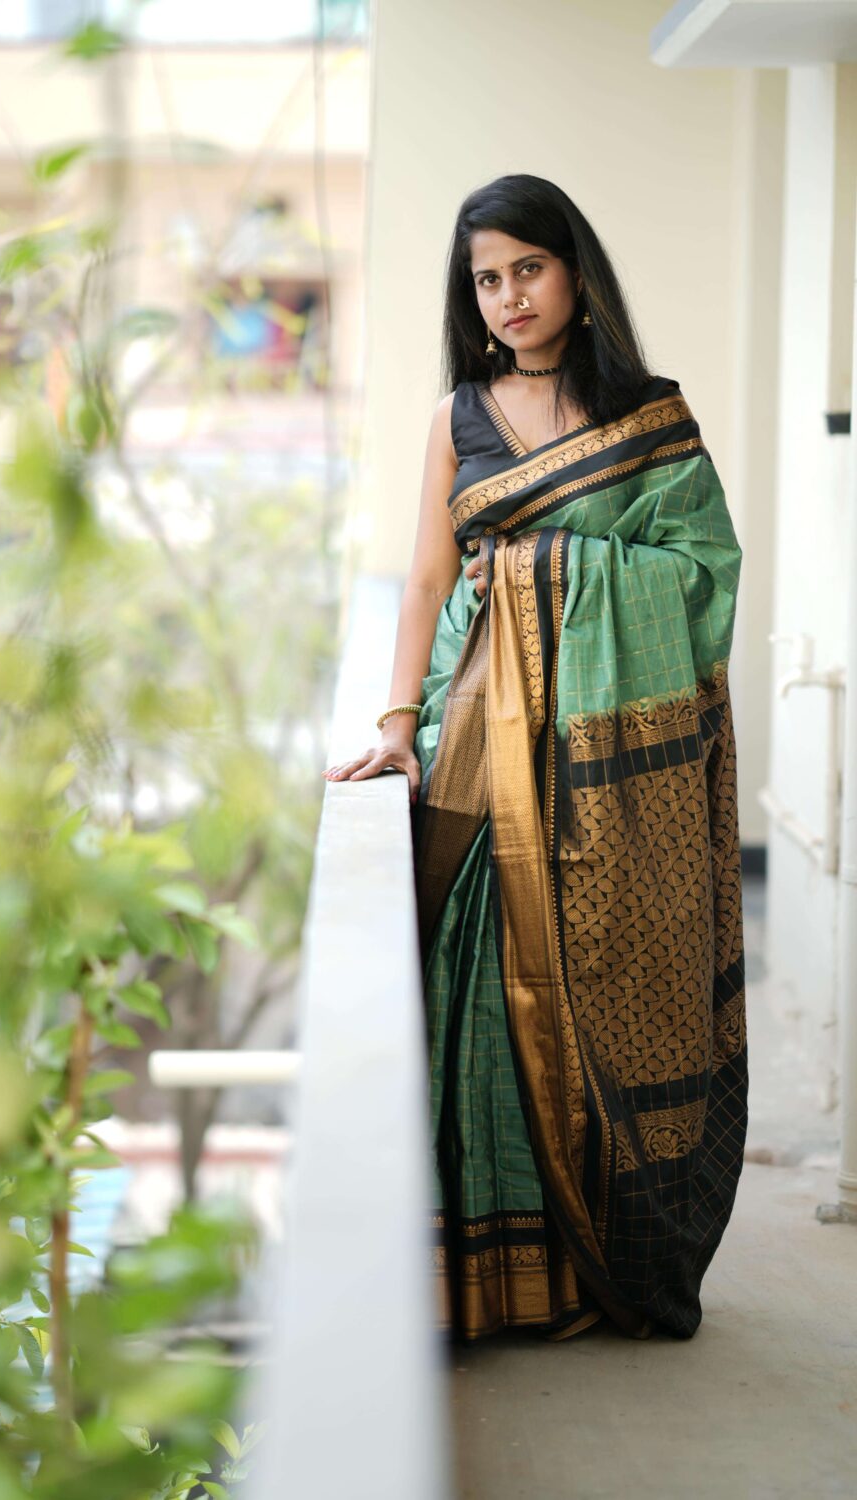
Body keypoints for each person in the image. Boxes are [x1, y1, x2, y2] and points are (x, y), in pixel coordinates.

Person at [322, 174, 747, 1345]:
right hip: (474, 748)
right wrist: (394, 727)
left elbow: (703, 580)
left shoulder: (651, 418)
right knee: (479, 994)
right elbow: (420, 580)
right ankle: (495, 1280)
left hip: (621, 779)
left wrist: (539, 565)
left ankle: (592, 1267)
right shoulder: (457, 417)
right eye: (485, 278)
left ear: (575, 272)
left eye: (527, 269)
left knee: (605, 994)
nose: (507, 297)